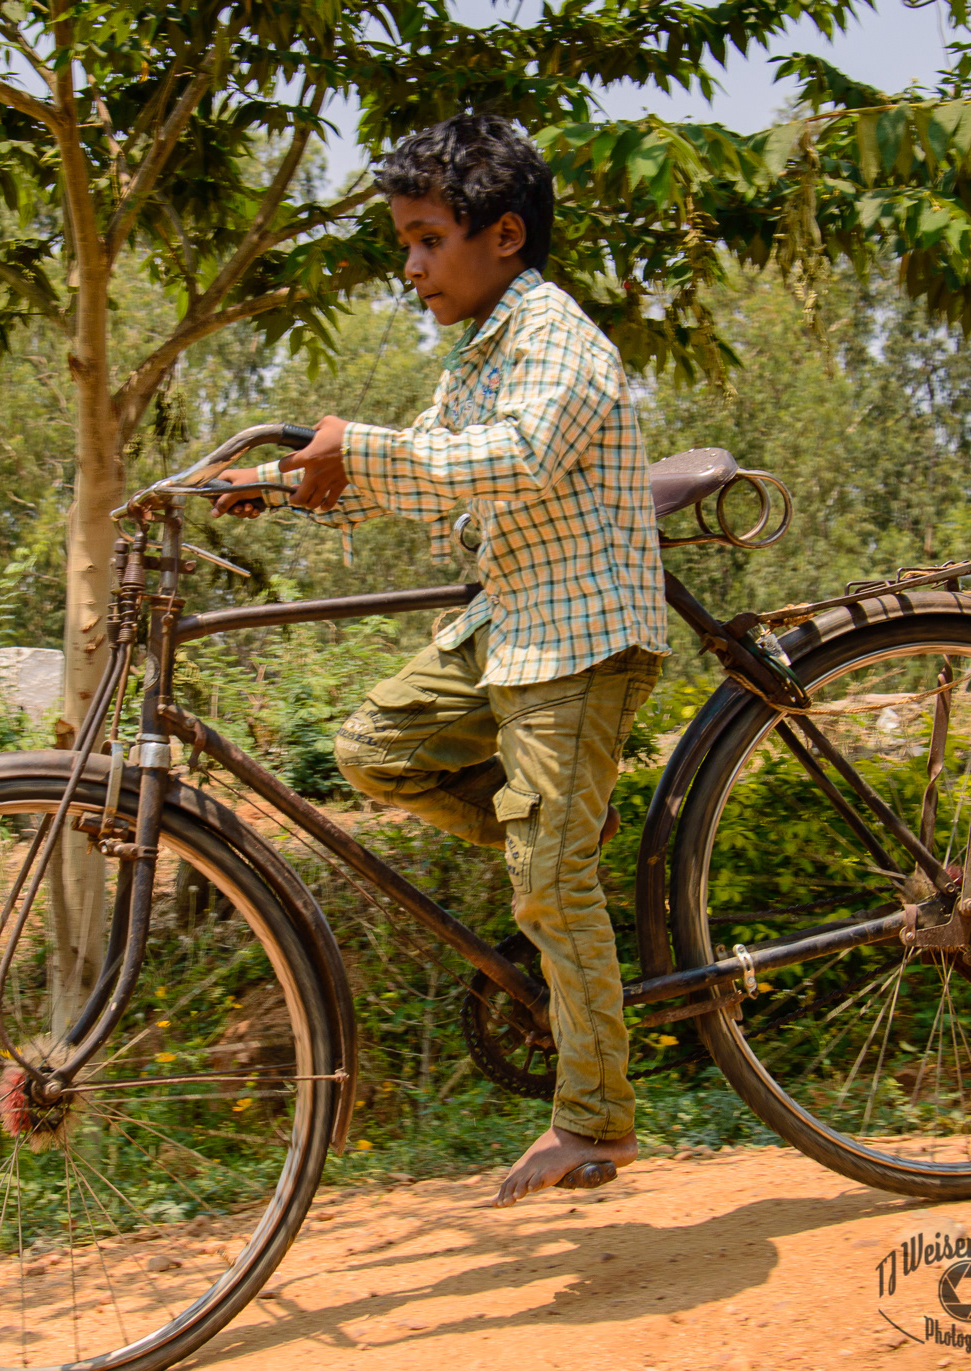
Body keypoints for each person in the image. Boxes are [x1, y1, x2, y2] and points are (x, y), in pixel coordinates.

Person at [211, 111, 670, 1208]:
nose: (410, 267)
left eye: (426, 239)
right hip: (509, 623)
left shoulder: (556, 337)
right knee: (375, 749)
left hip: (583, 632)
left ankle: (596, 1119)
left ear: (502, 235)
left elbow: (504, 461)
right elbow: (415, 465)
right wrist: (278, 484)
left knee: (548, 887)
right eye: (404, 243)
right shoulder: (477, 349)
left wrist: (355, 447)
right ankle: (556, 829)